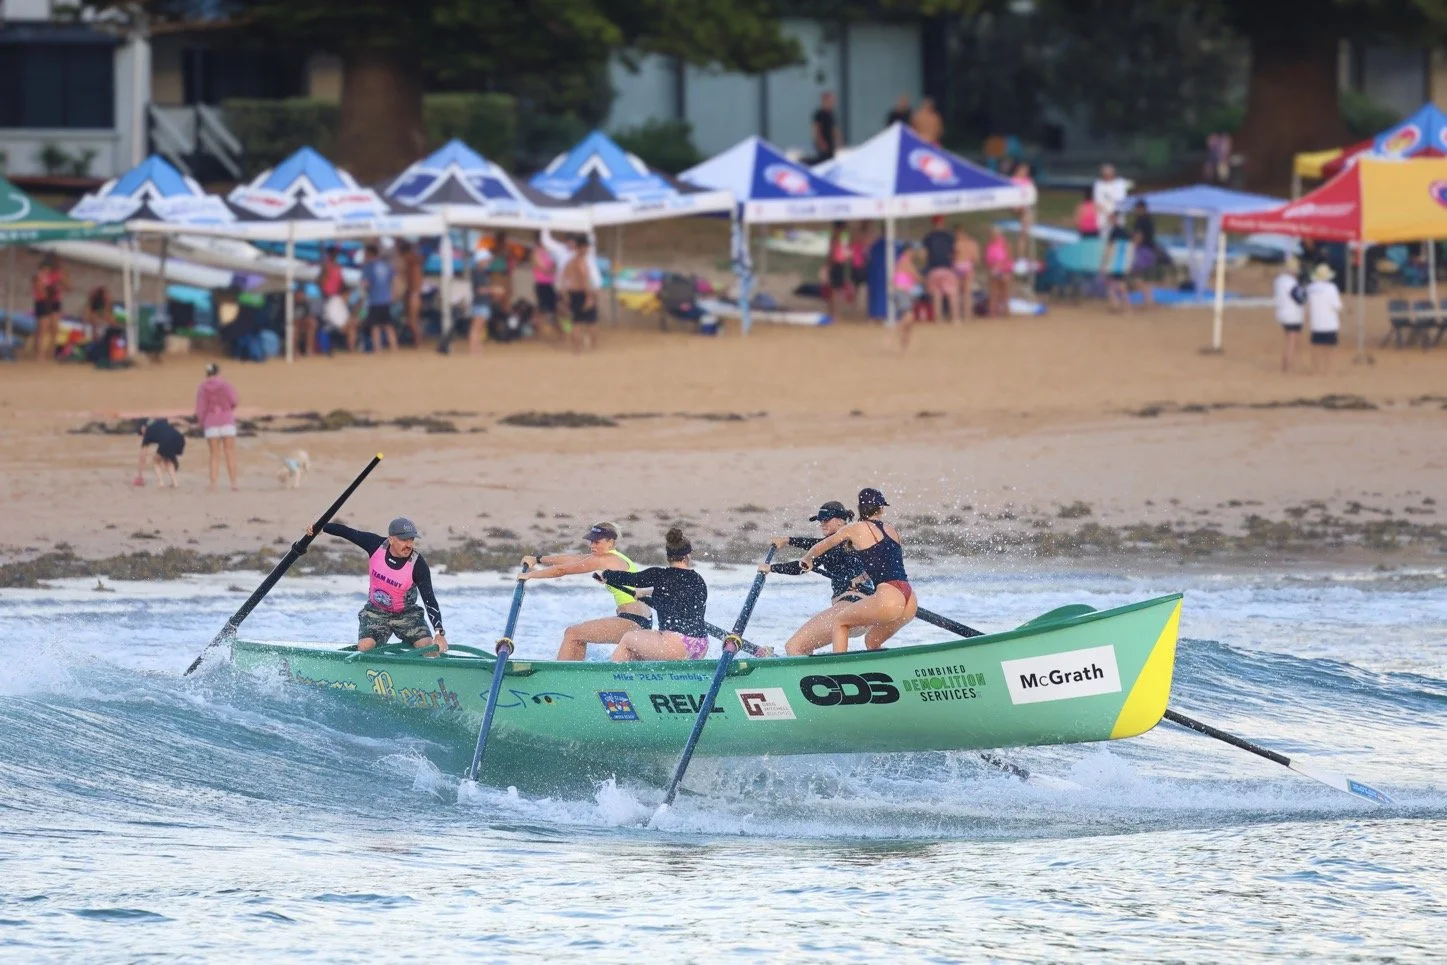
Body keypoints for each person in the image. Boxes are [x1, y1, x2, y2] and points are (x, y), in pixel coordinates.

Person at [799, 489, 918, 653]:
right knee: (872, 641)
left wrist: (807, 559)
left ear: (860, 508)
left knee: (840, 621)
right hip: (909, 599)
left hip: (889, 597)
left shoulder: (855, 528)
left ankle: (839, 670)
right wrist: (861, 578)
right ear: (881, 509)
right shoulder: (892, 530)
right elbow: (885, 564)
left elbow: (823, 545)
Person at [307, 517, 447, 655]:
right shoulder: (375, 545)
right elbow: (348, 532)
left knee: (428, 648)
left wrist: (439, 632)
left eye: (412, 540)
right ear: (391, 539)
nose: (409, 544)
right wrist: (321, 527)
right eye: (404, 540)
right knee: (366, 646)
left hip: (407, 613)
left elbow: (429, 599)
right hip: (376, 611)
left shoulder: (418, 565)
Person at [520, 522, 654, 661]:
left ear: (610, 542)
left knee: (572, 634)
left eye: (597, 542)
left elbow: (562, 570)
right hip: (641, 619)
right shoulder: (613, 556)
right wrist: (538, 559)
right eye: (591, 541)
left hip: (633, 622)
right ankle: (574, 675)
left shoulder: (607, 559)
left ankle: (561, 677)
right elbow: (573, 559)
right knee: (577, 637)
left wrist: (530, 575)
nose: (592, 545)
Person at [763, 501, 876, 656]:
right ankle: (815, 676)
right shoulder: (851, 541)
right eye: (820, 520)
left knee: (794, 646)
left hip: (850, 607)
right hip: (871, 611)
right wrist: (788, 540)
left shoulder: (841, 543)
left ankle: (802, 678)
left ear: (840, 521)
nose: (822, 524)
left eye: (826, 519)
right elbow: (817, 546)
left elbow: (802, 566)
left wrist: (771, 568)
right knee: (805, 647)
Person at [598, 527, 709, 662]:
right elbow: (675, 602)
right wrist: (645, 595)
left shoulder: (659, 575)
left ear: (668, 556)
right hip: (701, 646)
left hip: (675, 645)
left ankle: (611, 679)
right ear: (688, 556)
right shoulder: (698, 580)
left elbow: (632, 579)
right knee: (640, 647)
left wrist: (606, 575)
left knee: (628, 639)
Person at [195, 362, 239, 491]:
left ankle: (213, 484)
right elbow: (234, 400)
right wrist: (228, 410)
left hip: (211, 421)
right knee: (229, 452)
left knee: (214, 455)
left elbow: (200, 408)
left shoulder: (202, 387)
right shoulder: (226, 384)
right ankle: (234, 483)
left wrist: (201, 422)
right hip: (227, 420)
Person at [561, 234, 598, 352]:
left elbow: (564, 280)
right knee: (591, 322)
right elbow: (584, 280)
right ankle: (593, 348)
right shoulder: (580, 262)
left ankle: (577, 348)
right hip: (582, 293)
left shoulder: (569, 262)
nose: (587, 249)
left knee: (576, 322)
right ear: (581, 247)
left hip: (573, 293)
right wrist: (589, 297)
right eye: (586, 247)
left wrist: (565, 295)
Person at [921, 215, 961, 325]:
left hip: (933, 269)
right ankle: (955, 318)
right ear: (943, 222)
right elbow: (955, 251)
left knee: (936, 295)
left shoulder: (928, 237)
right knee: (952, 294)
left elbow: (924, 255)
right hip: (947, 267)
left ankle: (938, 319)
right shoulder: (949, 236)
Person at [360, 242, 398, 352]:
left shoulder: (368, 267)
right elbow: (394, 279)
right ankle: (394, 347)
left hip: (375, 300)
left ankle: (377, 348)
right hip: (386, 299)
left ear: (369, 253)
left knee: (375, 326)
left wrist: (363, 288)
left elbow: (365, 283)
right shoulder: (386, 265)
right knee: (388, 325)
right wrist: (393, 294)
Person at [1305, 263, 1342, 373]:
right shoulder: (1331, 288)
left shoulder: (1310, 288)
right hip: (1329, 323)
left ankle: (1316, 369)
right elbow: (1337, 306)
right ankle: (1328, 369)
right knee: (1330, 348)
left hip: (1316, 323)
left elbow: (1307, 305)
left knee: (1316, 347)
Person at [31, 253, 66, 361]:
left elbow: (66, 286)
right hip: (42, 302)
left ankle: (50, 352)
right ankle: (40, 354)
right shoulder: (39, 277)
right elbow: (41, 291)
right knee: (43, 328)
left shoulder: (57, 275)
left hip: (53, 301)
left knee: (54, 327)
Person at [318, 248, 355, 351]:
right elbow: (321, 282)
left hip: (337, 298)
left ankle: (350, 347)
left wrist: (344, 293)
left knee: (349, 323)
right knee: (338, 323)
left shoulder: (338, 268)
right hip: (329, 298)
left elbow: (341, 282)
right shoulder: (326, 266)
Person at [1274, 256, 1306, 373]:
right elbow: (1299, 297)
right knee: (1292, 341)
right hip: (1293, 315)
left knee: (1288, 339)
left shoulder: (1279, 281)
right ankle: (1288, 365)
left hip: (1282, 313)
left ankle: (1287, 363)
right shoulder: (1292, 282)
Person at [135, 417, 185, 488]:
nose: (142, 435)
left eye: (141, 433)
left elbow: (142, 457)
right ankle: (175, 483)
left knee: (155, 461)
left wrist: (140, 475)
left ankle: (161, 482)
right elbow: (177, 420)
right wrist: (191, 425)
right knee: (167, 461)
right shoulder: (160, 421)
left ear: (143, 428)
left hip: (167, 441)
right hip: (180, 439)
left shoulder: (147, 433)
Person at [891, 243, 923, 350]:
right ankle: (892, 334)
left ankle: (903, 346)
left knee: (909, 322)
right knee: (909, 317)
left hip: (905, 292)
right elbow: (916, 275)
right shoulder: (904, 261)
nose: (913, 253)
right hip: (901, 292)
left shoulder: (904, 262)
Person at [530, 239, 561, 339]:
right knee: (542, 309)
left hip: (549, 283)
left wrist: (552, 269)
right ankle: (538, 332)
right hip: (542, 283)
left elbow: (552, 267)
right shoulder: (536, 253)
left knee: (552, 308)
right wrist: (551, 269)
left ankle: (555, 332)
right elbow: (545, 269)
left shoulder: (547, 253)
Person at [1101, 213, 1133, 312]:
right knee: (1120, 282)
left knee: (1112, 283)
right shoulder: (1124, 232)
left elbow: (1110, 247)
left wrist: (1105, 260)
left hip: (1115, 261)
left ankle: (1116, 304)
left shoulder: (1114, 232)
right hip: (1123, 260)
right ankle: (1123, 304)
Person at [1129, 200, 1157, 309]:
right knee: (1146, 277)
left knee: (1138, 276)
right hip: (1150, 251)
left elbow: (1138, 237)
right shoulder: (1150, 220)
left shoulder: (1140, 221)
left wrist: (1133, 246)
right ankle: (1149, 301)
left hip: (1143, 251)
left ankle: (1147, 300)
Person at [398, 240, 424, 346]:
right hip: (412, 294)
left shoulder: (413, 265)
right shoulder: (412, 264)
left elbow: (413, 284)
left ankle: (417, 341)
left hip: (414, 295)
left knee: (412, 320)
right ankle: (416, 340)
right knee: (411, 320)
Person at [824, 221, 852, 318]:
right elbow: (831, 253)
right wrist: (829, 265)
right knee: (835, 290)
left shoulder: (839, 238)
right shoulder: (835, 238)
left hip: (839, 264)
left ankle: (833, 311)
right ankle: (833, 312)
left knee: (836, 289)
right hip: (836, 265)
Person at [1092, 164, 1131, 230]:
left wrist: (1115, 215)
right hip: (1104, 220)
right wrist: (1109, 215)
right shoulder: (1098, 185)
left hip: (1118, 219)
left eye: (1110, 173)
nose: (1108, 176)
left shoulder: (1120, 183)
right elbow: (1097, 203)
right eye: (1105, 174)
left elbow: (1122, 200)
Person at [984, 225, 1012, 317]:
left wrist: (1003, 267)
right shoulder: (989, 244)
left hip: (1004, 268)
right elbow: (987, 258)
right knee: (994, 291)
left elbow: (1009, 256)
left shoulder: (1004, 243)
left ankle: (1006, 311)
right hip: (993, 269)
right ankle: (992, 311)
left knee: (1004, 291)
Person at [953, 227, 979, 321]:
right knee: (966, 292)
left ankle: (960, 314)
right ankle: (967, 315)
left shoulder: (955, 243)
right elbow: (975, 258)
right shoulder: (972, 243)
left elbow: (953, 256)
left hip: (958, 265)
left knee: (959, 292)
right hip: (967, 265)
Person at [807, 91, 839, 165]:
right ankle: (804, 162)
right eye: (830, 101)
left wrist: (838, 140)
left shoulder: (831, 114)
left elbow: (834, 128)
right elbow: (815, 128)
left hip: (830, 141)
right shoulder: (819, 114)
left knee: (830, 160)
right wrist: (820, 141)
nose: (832, 103)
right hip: (822, 141)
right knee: (822, 160)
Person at [1011, 162, 1035, 259]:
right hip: (1016, 205)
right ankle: (1021, 256)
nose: (1025, 172)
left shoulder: (1028, 181)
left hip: (1025, 206)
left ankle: (1023, 255)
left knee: (1024, 232)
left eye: (1026, 170)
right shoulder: (1013, 180)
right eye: (1023, 169)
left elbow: (1031, 195)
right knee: (1024, 231)